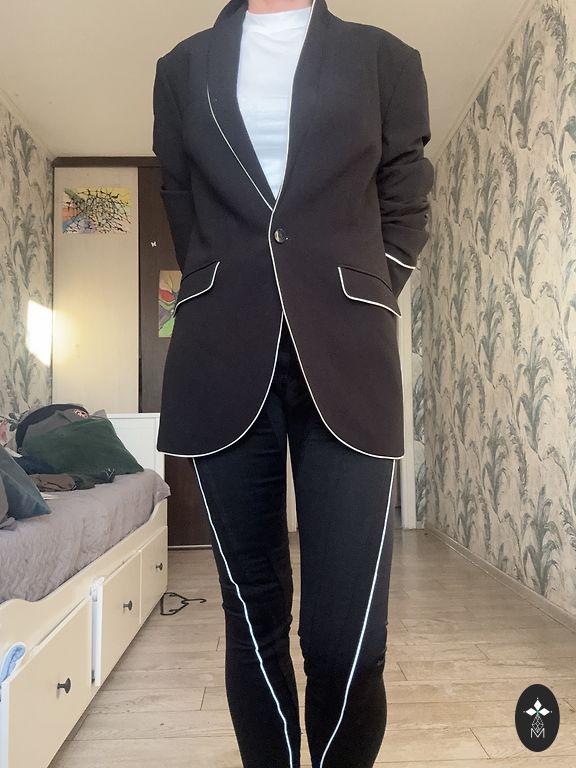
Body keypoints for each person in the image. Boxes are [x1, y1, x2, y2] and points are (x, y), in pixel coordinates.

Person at [152, 1, 434, 766]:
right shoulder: (181, 70)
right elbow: (185, 208)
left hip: (349, 354)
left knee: (349, 635)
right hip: (220, 354)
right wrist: (233, 294)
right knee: (253, 619)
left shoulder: (385, 59)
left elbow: (405, 202)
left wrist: (363, 295)